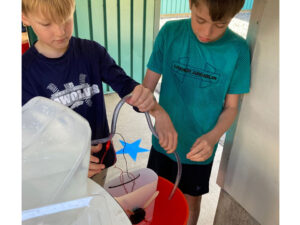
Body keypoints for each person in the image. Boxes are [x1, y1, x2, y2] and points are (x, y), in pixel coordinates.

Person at [22, 0, 177, 186]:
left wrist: (157, 110)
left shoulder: (91, 52)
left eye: (66, 19)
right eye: (47, 24)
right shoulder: (24, 72)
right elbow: (29, 137)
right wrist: (66, 161)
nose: (60, 31)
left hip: (97, 161)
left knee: (96, 203)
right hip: (58, 172)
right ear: (25, 18)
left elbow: (126, 86)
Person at [143, 0, 251, 224]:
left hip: (200, 149)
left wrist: (213, 137)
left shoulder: (238, 50)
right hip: (163, 144)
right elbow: (145, 92)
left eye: (220, 25)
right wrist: (159, 114)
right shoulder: (170, 33)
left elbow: (231, 108)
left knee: (191, 202)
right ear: (190, 5)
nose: (207, 32)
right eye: (200, 20)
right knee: (156, 197)